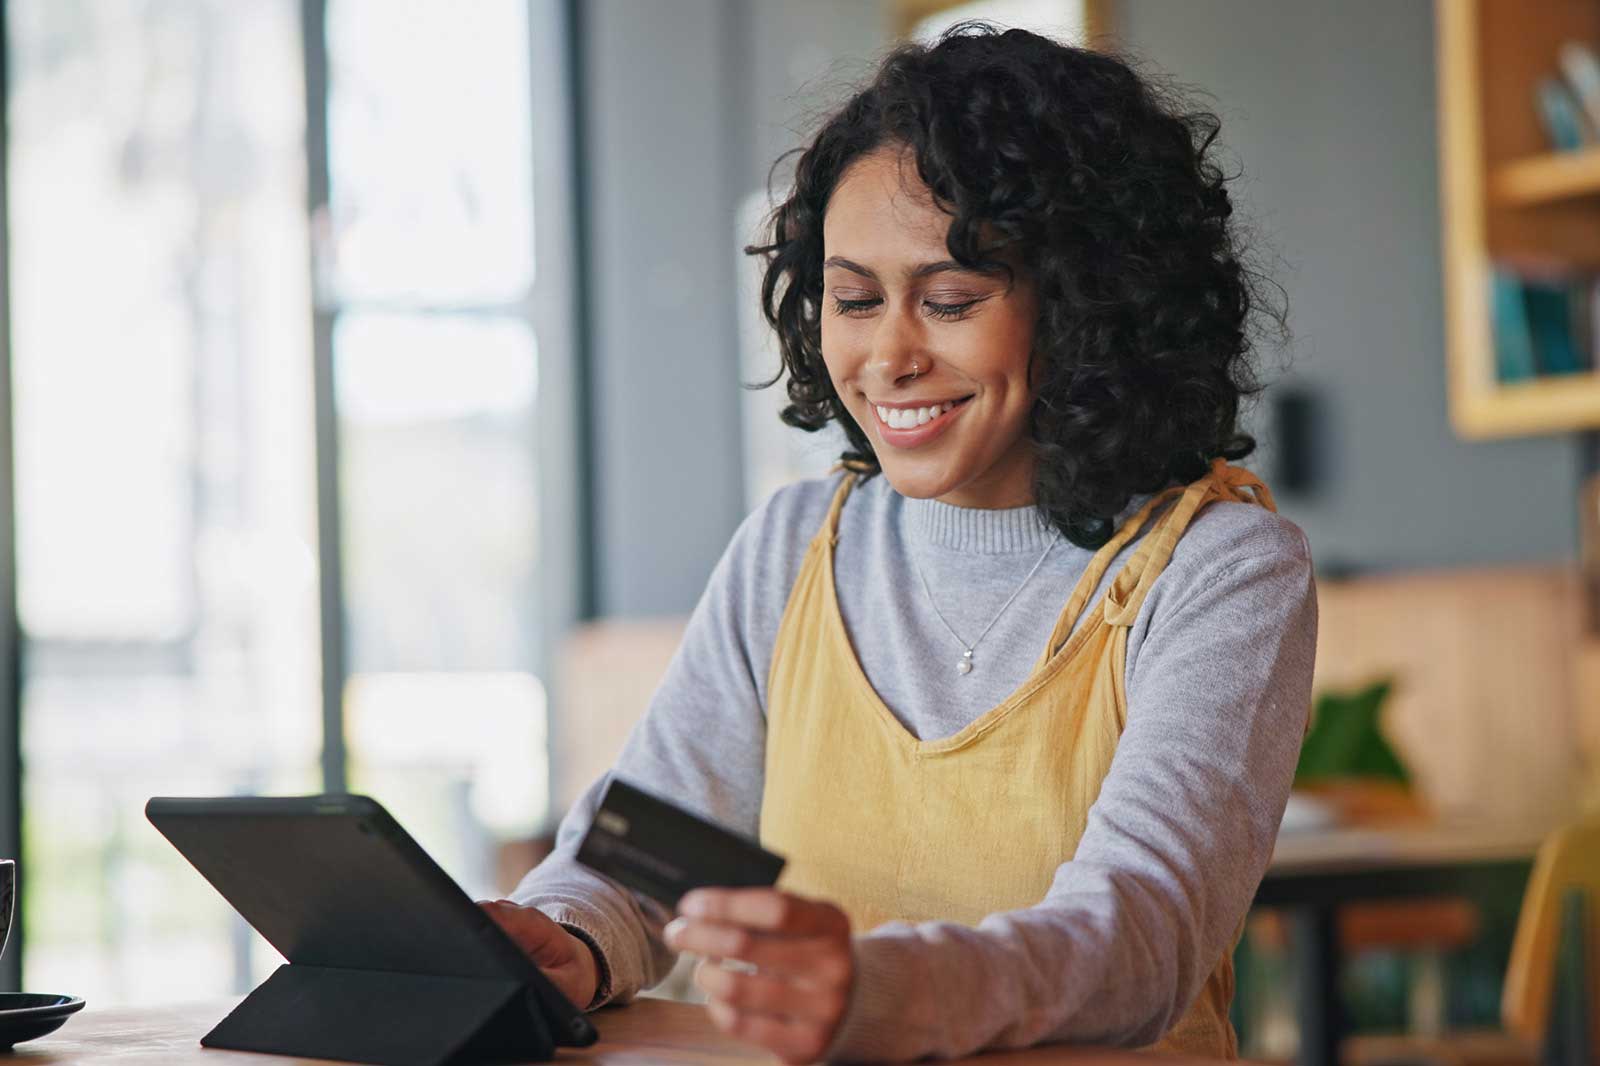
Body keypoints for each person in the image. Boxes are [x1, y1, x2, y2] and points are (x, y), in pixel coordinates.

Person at [481, 22, 1317, 1064]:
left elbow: (1139, 939)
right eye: (854, 299)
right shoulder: (794, 545)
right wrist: (567, 937)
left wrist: (875, 989)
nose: (887, 356)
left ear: (1087, 305)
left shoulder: (1218, 567)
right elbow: (646, 856)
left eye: (951, 299)